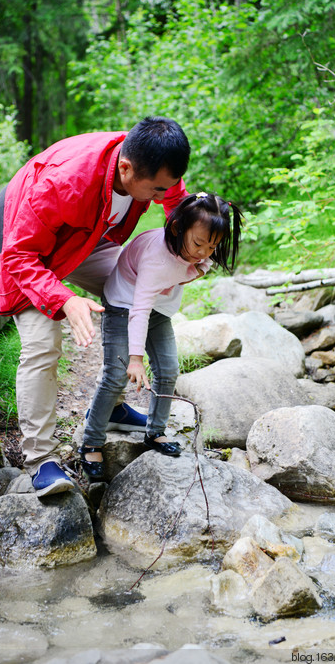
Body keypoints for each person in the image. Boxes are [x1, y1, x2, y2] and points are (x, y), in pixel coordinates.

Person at [0, 117, 191, 496]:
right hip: (24, 238)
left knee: (133, 290)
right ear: (126, 168)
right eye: (155, 190)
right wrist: (64, 299)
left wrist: (185, 253)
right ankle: (41, 459)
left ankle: (112, 406)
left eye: (166, 186)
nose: (162, 196)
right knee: (43, 342)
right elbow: (20, 257)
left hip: (87, 234)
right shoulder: (64, 182)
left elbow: (177, 204)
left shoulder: (155, 165)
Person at [79, 192, 243, 482]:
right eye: (198, 244)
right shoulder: (158, 259)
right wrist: (135, 359)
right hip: (124, 304)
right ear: (178, 227)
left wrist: (198, 263)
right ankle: (92, 440)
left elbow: (194, 267)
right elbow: (138, 309)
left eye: (213, 245)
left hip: (158, 310)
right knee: (116, 374)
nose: (204, 252)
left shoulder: (196, 250)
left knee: (168, 370)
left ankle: (154, 432)